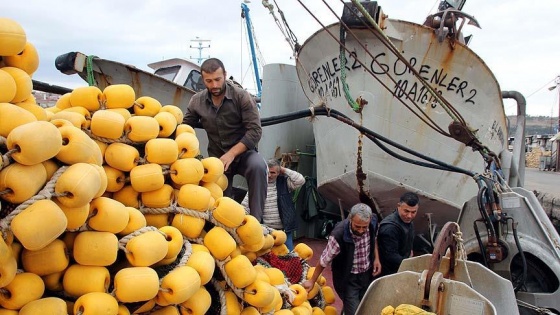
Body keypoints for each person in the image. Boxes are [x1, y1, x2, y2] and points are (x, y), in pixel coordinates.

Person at [182, 58, 268, 221]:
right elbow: (185, 128)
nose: (214, 85)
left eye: (217, 80)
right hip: (217, 159)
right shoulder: (197, 101)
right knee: (221, 206)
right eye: (209, 81)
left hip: (244, 154)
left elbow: (255, 131)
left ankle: (257, 221)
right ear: (203, 79)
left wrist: (231, 154)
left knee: (258, 166)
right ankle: (222, 229)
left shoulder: (242, 97)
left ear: (225, 75)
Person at [303, 203, 381, 315]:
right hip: (348, 278)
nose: (361, 230)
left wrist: (376, 259)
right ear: (350, 219)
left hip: (366, 274)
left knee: (364, 306)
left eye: (364, 227)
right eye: (357, 226)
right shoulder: (338, 235)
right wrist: (312, 281)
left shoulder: (372, 221)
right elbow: (324, 260)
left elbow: (374, 238)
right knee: (354, 311)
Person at [241, 159, 305, 251]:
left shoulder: (285, 184)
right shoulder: (257, 185)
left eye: (273, 172)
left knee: (288, 256)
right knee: (268, 258)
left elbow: (300, 180)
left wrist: (283, 169)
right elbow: (244, 207)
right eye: (267, 172)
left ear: (279, 173)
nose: (269, 175)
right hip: (266, 231)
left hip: (284, 230)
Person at [376, 192, 418, 277]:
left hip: (402, 265)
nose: (409, 216)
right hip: (390, 273)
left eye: (413, 212)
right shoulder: (389, 228)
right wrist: (410, 265)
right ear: (398, 206)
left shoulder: (407, 221)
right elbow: (390, 256)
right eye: (406, 211)